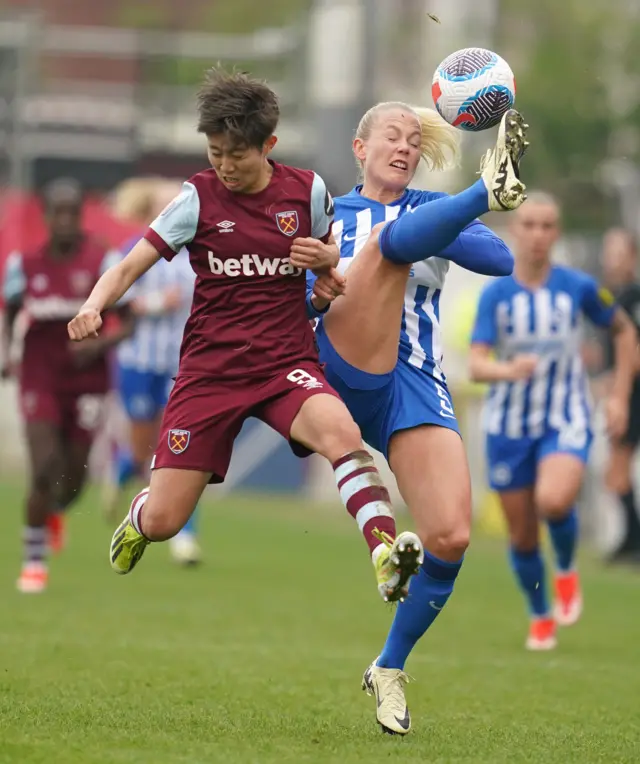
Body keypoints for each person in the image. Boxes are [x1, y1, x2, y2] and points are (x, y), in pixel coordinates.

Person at [67, 67, 425, 605]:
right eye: (215, 152)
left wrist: (327, 262)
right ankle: (139, 519)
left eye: (237, 154)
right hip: (210, 374)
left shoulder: (308, 191)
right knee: (166, 520)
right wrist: (93, 305)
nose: (225, 166)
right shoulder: (197, 198)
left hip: (285, 364)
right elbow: (128, 266)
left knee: (342, 433)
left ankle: (383, 554)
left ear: (269, 145)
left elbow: (330, 262)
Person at [296, 103, 528, 735]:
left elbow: (500, 260)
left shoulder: (431, 208)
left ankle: (389, 667)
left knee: (450, 536)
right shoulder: (329, 215)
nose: (402, 147)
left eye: (411, 140)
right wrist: (478, 198)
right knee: (385, 249)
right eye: (389, 138)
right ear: (359, 147)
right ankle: (492, 185)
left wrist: (442, 218)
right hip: (338, 364)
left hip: (414, 382)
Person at [469, 193, 637, 651]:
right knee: (522, 533)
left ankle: (564, 568)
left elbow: (625, 332)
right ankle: (539, 614)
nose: (539, 234)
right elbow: (476, 364)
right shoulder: (496, 293)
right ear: (515, 232)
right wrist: (508, 369)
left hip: (565, 414)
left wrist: (620, 396)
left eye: (547, 226)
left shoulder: (578, 287)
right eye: (530, 225)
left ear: (556, 233)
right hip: (508, 424)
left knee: (554, 500)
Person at [1, 177, 134, 593]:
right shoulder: (25, 264)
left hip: (88, 378)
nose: (64, 222)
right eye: (56, 214)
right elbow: (10, 313)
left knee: (74, 480)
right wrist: (7, 354)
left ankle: (56, 511)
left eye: (71, 214)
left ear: (81, 216)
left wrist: (98, 348)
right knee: (44, 466)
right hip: (40, 375)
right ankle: (34, 561)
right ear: (45, 217)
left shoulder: (102, 260)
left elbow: (128, 321)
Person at [108, 177, 202, 565]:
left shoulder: (196, 256)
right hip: (138, 361)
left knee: (179, 449)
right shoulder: (130, 252)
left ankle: (185, 538)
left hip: (180, 365)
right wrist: (155, 303)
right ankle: (122, 473)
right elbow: (116, 304)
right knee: (144, 447)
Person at [596, 228, 640, 563]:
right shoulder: (612, 296)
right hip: (620, 392)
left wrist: (617, 380)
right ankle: (630, 538)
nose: (612, 258)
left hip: (633, 394)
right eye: (609, 251)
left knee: (618, 466)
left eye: (619, 251)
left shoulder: (634, 297)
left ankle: (632, 539)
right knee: (615, 469)